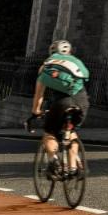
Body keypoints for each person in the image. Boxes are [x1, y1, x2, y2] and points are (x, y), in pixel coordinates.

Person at [31, 40, 90, 172]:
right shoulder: (75, 62)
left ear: (51, 52)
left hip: (61, 103)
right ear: (69, 52)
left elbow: (39, 95)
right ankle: (73, 168)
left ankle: (54, 161)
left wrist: (36, 111)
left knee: (49, 133)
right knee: (72, 132)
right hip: (81, 101)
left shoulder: (46, 66)